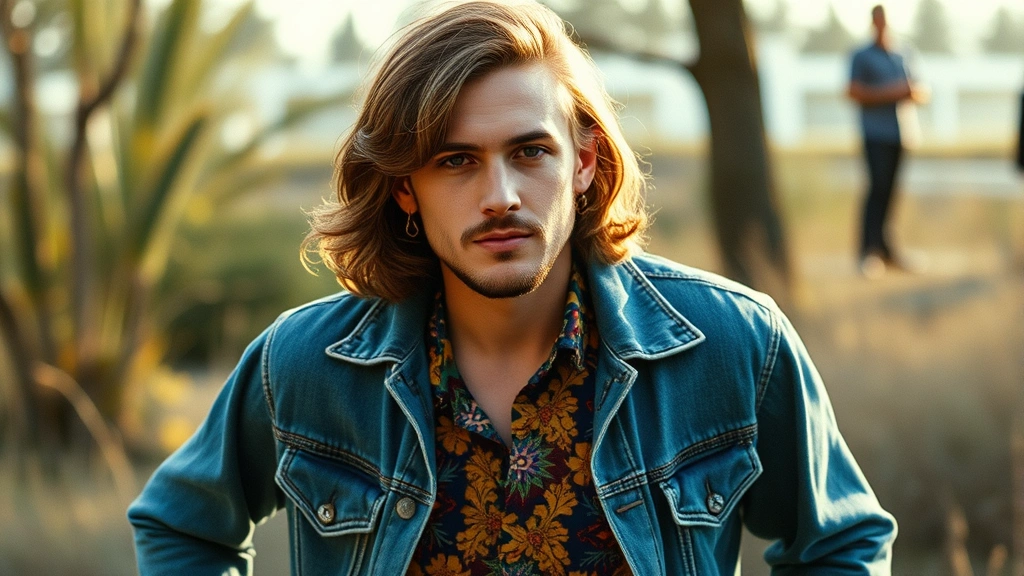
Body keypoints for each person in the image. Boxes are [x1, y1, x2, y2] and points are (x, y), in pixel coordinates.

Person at [128, 1, 897, 573]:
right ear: (404, 188)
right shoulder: (305, 366)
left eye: (530, 151)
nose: (499, 195)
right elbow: (182, 526)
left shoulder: (733, 344)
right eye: (455, 161)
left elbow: (842, 541)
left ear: (585, 161)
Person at [847, 4, 927, 278]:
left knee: (891, 193)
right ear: (873, 23)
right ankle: (868, 251)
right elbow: (854, 92)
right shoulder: (861, 56)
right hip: (875, 134)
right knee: (876, 189)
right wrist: (890, 92)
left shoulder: (903, 54)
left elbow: (920, 91)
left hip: (901, 134)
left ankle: (887, 249)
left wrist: (908, 92)